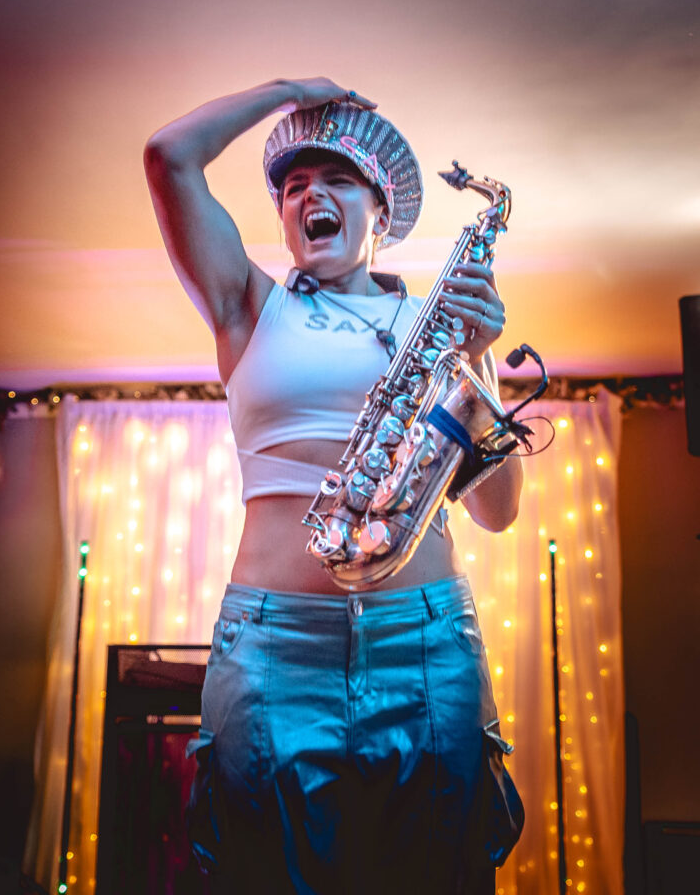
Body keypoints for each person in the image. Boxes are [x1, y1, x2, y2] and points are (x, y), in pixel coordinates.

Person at [144, 78, 525, 894]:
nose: (309, 194)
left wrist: (476, 356)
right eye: (292, 187)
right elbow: (169, 156)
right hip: (276, 644)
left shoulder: (437, 318)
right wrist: (292, 93)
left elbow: (497, 512)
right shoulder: (249, 306)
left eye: (337, 180)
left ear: (379, 212)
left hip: (423, 642)